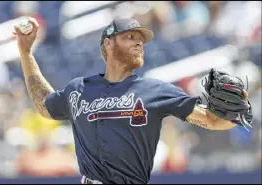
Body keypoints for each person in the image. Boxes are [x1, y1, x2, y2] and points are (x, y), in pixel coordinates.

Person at [13, 17, 249, 184]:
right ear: (108, 44)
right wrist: (26, 54)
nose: (139, 43)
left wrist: (236, 114)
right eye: (130, 37)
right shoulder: (79, 89)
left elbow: (212, 121)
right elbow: (44, 105)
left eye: (141, 39)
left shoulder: (155, 90)